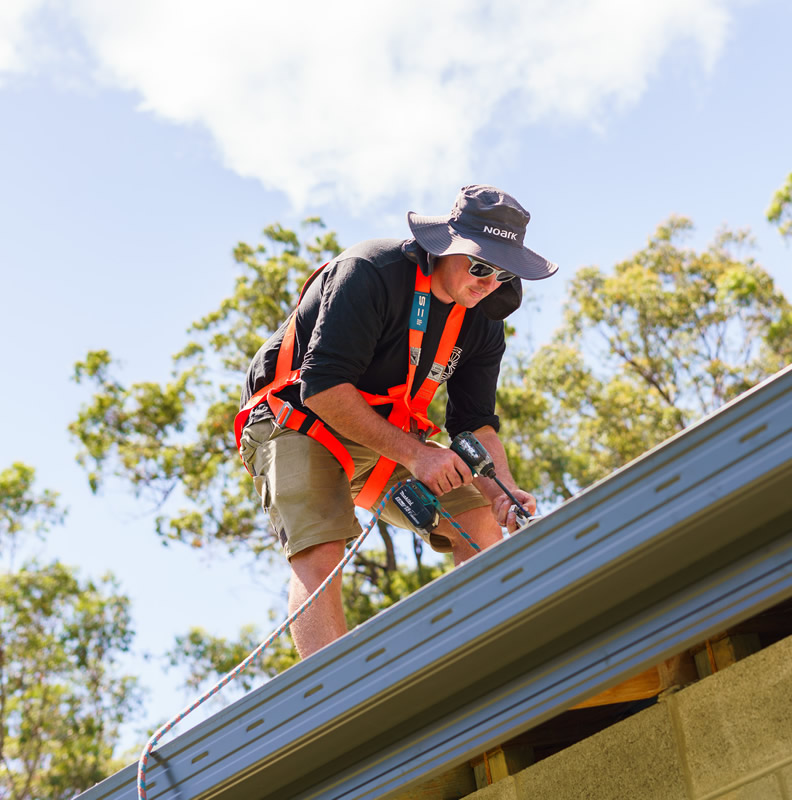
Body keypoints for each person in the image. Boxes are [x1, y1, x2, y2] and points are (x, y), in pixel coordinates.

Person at [236, 184, 557, 659]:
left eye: (503, 274)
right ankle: (332, 702)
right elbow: (322, 386)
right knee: (322, 547)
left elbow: (476, 424)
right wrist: (417, 455)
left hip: (386, 433)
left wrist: (501, 492)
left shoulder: (483, 320)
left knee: (480, 525)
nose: (489, 283)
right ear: (447, 246)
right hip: (296, 418)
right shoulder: (370, 272)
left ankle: (499, 661)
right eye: (480, 266)